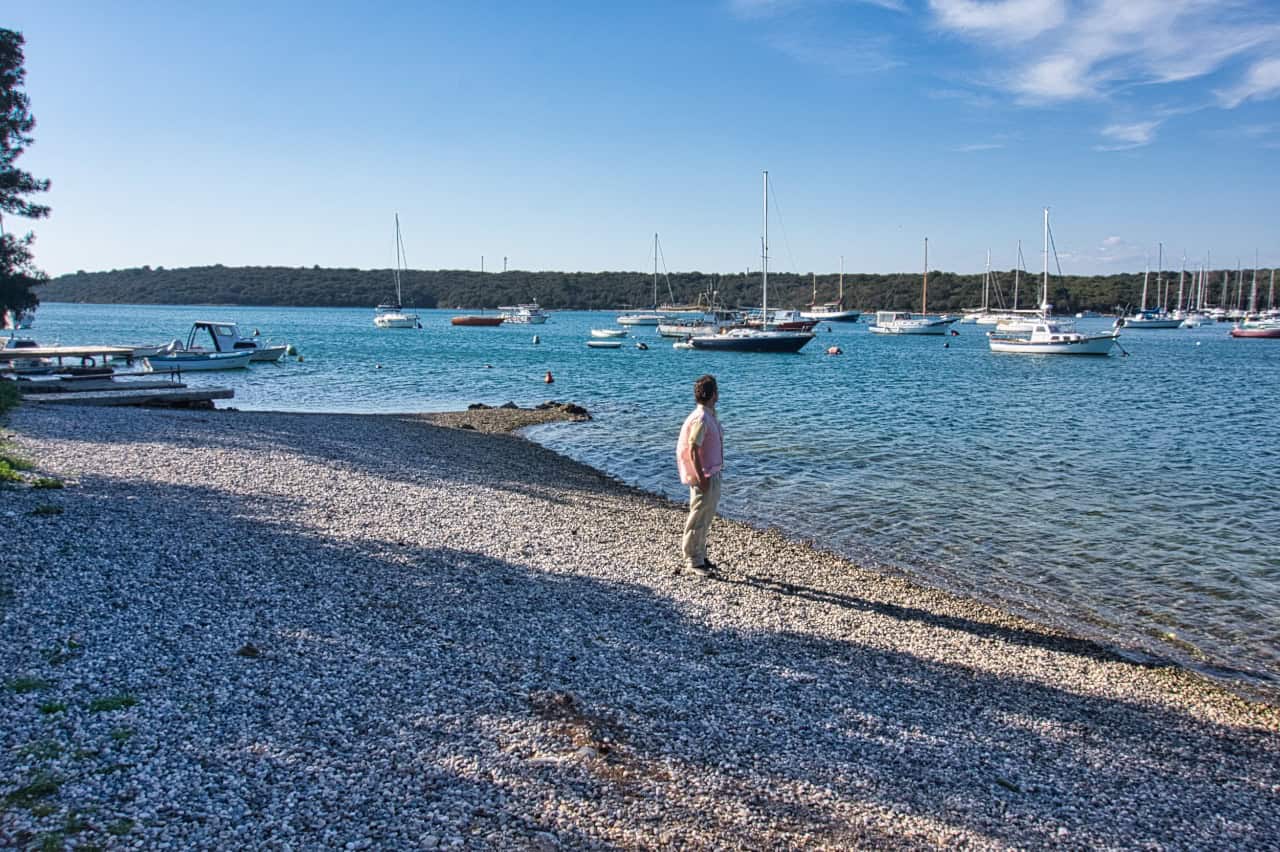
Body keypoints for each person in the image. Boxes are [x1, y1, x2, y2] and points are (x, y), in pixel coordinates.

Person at [676, 374, 723, 577]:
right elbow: (693, 448)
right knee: (699, 516)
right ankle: (693, 559)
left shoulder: (708, 415)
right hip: (705, 475)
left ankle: (700, 554)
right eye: (716, 390)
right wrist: (701, 477)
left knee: (706, 515)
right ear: (713, 394)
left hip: (713, 472)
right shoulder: (701, 418)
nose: (718, 394)